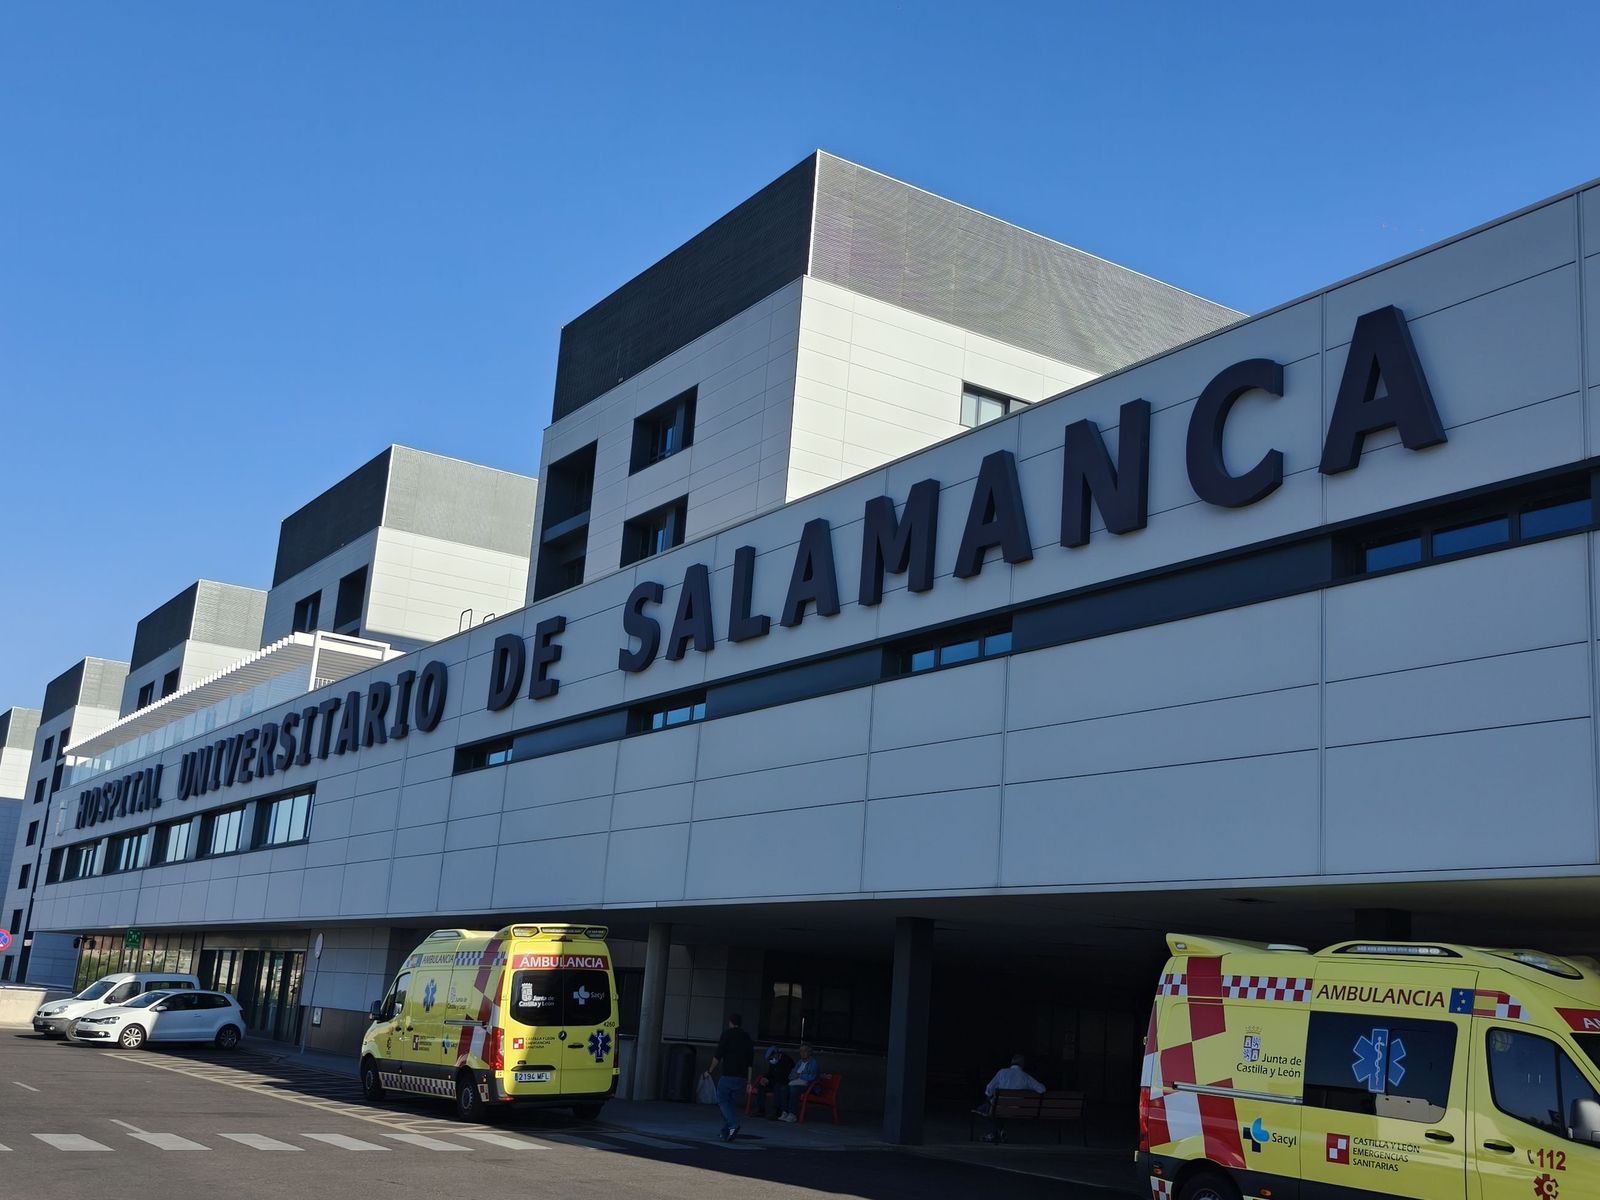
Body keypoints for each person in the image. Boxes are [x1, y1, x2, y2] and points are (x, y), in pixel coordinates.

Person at [704, 1013, 754, 1141]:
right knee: (729, 1103)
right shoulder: (747, 1037)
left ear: (730, 1022)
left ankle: (732, 1125)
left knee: (722, 1099)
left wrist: (709, 1070)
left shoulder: (727, 1035)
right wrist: (749, 1081)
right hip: (742, 1076)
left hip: (728, 1074)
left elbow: (718, 1055)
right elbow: (750, 1062)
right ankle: (725, 1131)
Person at [978, 1053, 1045, 1142]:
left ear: (1011, 1062)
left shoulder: (1002, 1072)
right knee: (997, 1111)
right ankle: (1000, 1132)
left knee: (981, 1109)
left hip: (998, 1107)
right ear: (1022, 1064)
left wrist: (989, 1097)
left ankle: (994, 1133)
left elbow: (988, 1089)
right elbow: (1042, 1089)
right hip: (1016, 1108)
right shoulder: (1026, 1077)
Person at [777, 1043, 819, 1122]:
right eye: (801, 1051)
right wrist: (795, 1076)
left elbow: (812, 1077)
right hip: (796, 1082)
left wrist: (800, 1075)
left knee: (794, 1090)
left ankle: (792, 1114)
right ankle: (785, 1112)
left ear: (810, 1052)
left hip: (808, 1085)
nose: (802, 1053)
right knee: (783, 1088)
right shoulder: (799, 1062)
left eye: (805, 1051)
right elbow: (791, 1074)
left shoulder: (813, 1063)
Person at [756, 1043, 795, 1119]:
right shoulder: (773, 1061)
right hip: (775, 1081)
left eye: (772, 1057)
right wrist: (765, 1078)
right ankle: (761, 1110)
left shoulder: (787, 1060)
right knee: (761, 1086)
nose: (771, 1060)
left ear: (776, 1054)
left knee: (778, 1087)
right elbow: (770, 1073)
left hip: (784, 1082)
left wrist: (771, 1080)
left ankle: (777, 1111)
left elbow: (787, 1077)